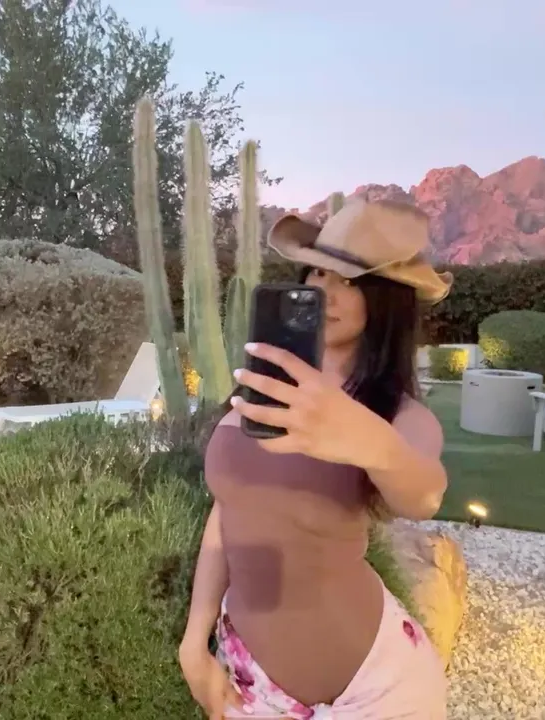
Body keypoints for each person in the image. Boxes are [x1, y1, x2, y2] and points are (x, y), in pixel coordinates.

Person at [178, 198, 455, 719]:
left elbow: (423, 495)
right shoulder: (263, 391)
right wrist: (194, 642)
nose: (325, 291)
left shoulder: (397, 416)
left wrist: (370, 441)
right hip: (248, 684)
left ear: (386, 300)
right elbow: (228, 511)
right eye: (319, 272)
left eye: (349, 280)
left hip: (378, 695)